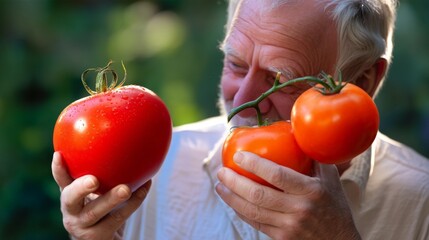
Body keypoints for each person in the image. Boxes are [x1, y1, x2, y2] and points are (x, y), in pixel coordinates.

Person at [51, 0, 429, 239]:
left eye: (280, 79)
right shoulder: (148, 173)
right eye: (236, 64)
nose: (244, 100)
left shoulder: (419, 205)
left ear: (363, 80)